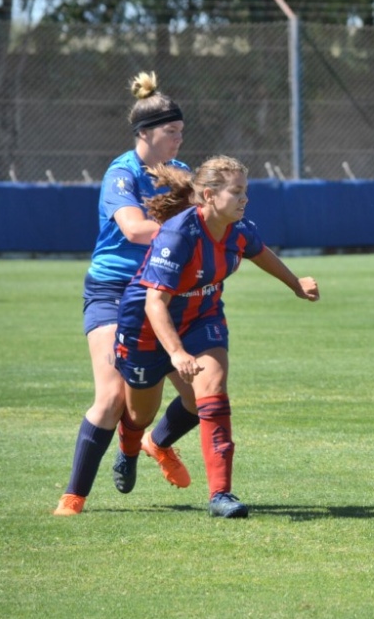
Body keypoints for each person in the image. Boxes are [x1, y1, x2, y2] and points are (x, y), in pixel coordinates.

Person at [113, 155, 320, 518]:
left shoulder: (238, 228)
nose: (245, 199)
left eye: (246, 191)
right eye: (237, 192)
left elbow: (260, 252)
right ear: (209, 195)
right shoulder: (179, 234)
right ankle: (131, 447)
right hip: (146, 324)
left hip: (202, 318)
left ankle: (220, 495)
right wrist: (176, 353)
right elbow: (155, 303)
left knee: (212, 393)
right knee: (138, 412)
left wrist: (295, 284)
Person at [55, 71, 200, 516]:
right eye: (170, 132)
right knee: (113, 397)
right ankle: (74, 497)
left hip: (163, 291)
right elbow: (135, 229)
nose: (178, 140)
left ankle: (155, 443)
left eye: (180, 131)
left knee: (201, 393)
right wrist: (186, 229)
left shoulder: (182, 173)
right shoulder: (122, 173)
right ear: (144, 134)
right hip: (114, 290)